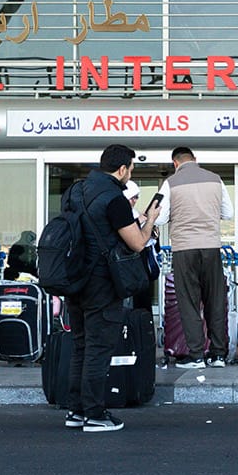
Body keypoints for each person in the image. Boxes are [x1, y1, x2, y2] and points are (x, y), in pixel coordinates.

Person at [61, 144, 159, 433]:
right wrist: (150, 220)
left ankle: (76, 411)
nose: (130, 175)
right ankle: (94, 414)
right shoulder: (115, 199)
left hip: (74, 279)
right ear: (122, 169)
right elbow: (137, 243)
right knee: (98, 348)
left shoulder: (75, 191)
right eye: (131, 169)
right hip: (102, 284)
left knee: (80, 346)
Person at [156, 146, 233, 369]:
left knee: (189, 302)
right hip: (211, 247)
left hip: (184, 249)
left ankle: (196, 355)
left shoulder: (171, 183)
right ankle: (218, 355)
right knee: (215, 301)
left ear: (175, 163)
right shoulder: (216, 179)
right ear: (195, 159)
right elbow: (228, 213)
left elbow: (160, 218)